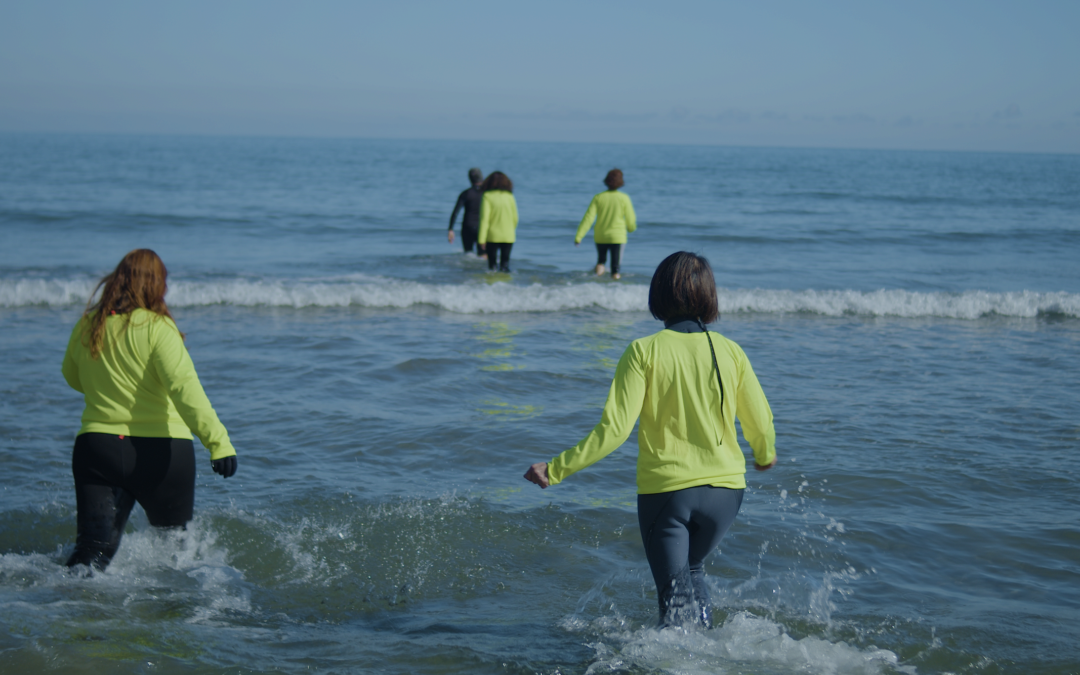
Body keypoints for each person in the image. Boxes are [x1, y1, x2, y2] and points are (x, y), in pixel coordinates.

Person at [524, 251, 776, 628]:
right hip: (727, 491)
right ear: (708, 296)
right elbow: (760, 420)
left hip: (670, 493)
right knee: (694, 571)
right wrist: (764, 452)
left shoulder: (643, 351)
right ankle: (709, 649)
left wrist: (555, 469)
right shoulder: (731, 351)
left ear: (658, 293)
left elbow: (614, 430)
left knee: (673, 603)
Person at [61, 249, 238, 571]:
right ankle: (167, 617)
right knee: (173, 555)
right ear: (157, 285)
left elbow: (73, 378)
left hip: (97, 449)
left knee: (92, 552)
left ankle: (69, 610)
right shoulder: (159, 328)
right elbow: (185, 390)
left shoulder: (89, 325)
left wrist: (110, 386)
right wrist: (218, 442)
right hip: (161, 453)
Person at [574, 168, 637, 280]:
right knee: (615, 266)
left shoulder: (598, 197)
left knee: (601, 261)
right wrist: (631, 228)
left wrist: (579, 236)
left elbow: (588, 218)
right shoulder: (624, 198)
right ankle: (614, 286)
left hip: (600, 236)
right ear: (621, 182)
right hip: (618, 237)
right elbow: (630, 220)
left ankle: (597, 281)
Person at [477, 171, 519, 273]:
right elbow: (515, 218)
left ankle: (492, 285)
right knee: (505, 265)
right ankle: (505, 285)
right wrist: (510, 230)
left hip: (492, 236)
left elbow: (484, 219)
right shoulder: (509, 196)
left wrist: (481, 239)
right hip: (508, 235)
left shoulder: (487, 196)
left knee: (492, 266)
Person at [448, 167, 486, 258]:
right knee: (483, 255)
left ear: (470, 179)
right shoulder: (486, 194)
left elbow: (455, 212)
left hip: (467, 227)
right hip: (482, 228)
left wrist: (451, 229)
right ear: (482, 178)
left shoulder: (465, 194)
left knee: (468, 254)